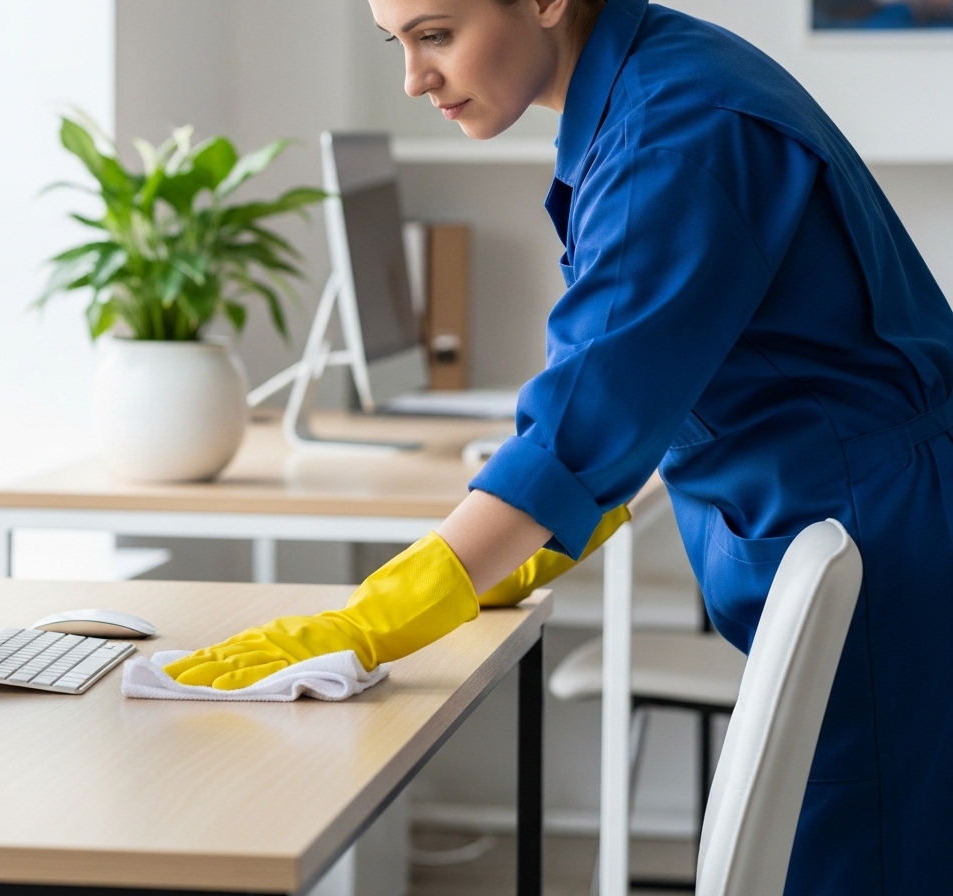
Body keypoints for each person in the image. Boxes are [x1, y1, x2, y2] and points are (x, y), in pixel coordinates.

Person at [166, 0, 953, 891]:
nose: (414, 78)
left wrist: (372, 620)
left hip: (886, 538)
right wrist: (513, 551)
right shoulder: (649, 87)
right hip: (859, 507)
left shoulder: (673, 134)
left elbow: (586, 420)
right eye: (398, 43)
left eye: (436, 35)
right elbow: (647, 381)